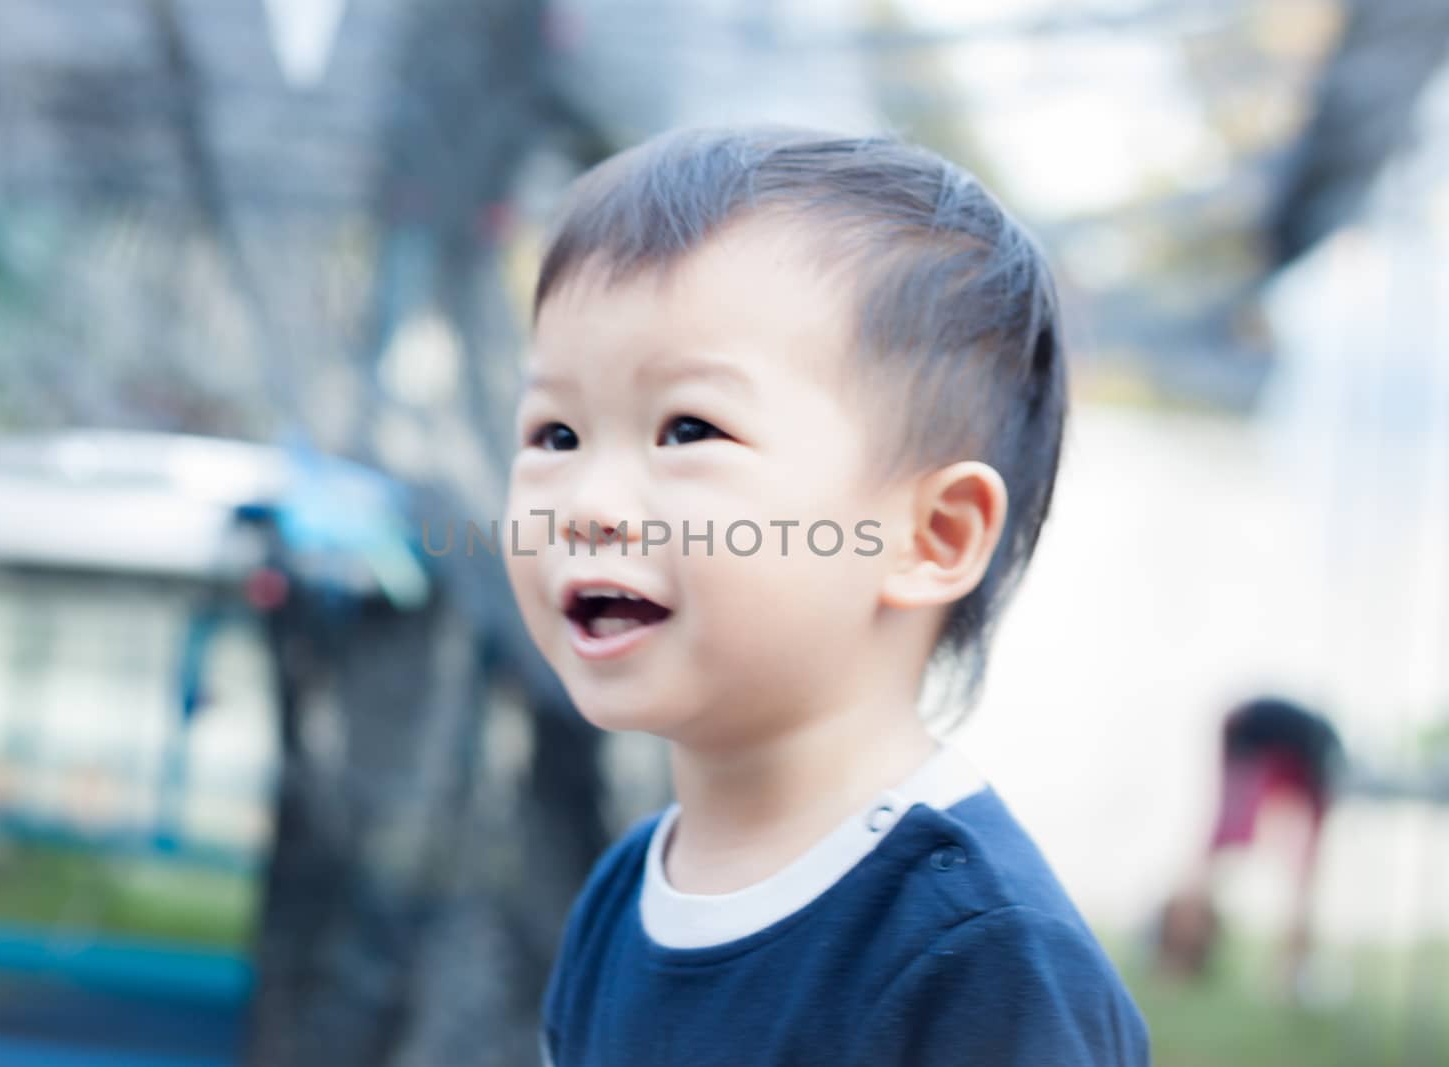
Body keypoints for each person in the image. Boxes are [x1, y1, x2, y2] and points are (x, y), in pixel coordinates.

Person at [501, 126, 1151, 1067]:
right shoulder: (623, 893)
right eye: (555, 434)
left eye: (689, 429)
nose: (589, 505)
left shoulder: (981, 963)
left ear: (934, 537)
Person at [1156, 696, 1345, 999]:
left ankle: (1291, 970)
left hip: (1261, 731)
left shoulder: (1316, 766)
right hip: (1255, 732)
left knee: (1222, 855)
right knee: (1292, 872)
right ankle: (1179, 955)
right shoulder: (1318, 768)